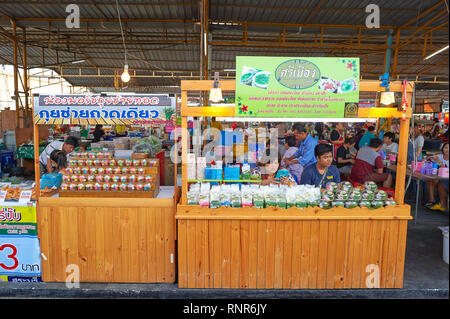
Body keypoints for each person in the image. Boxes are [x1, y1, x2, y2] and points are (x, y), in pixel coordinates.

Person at [425, 142, 449, 211]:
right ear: (442, 149)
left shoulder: (439, 158)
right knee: (430, 180)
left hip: (446, 179)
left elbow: (446, 171)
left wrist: (440, 163)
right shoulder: (439, 156)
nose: (447, 150)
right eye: (446, 148)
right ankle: (431, 200)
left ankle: (442, 204)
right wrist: (429, 158)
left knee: (440, 182)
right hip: (438, 177)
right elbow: (427, 160)